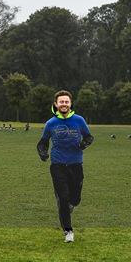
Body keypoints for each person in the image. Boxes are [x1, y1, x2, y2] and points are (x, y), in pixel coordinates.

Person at [37, 90, 94, 243]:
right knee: (62, 197)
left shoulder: (79, 120)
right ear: (56, 104)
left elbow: (89, 137)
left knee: (74, 199)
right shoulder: (51, 123)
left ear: (70, 104)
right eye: (61, 102)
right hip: (58, 165)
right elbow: (43, 142)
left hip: (76, 164)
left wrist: (84, 143)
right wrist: (43, 153)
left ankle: (70, 205)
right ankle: (68, 231)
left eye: (66, 102)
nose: (64, 104)